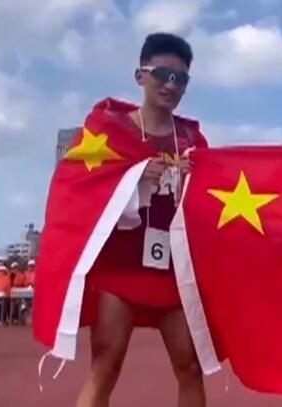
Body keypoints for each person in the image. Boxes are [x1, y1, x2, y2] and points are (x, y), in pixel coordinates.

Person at [73, 32, 208, 407]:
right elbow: (78, 188)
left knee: (190, 368)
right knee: (105, 367)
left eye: (180, 79)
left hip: (173, 273)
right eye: (162, 74)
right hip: (121, 269)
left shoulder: (193, 139)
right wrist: (132, 178)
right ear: (140, 76)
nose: (171, 85)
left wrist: (194, 180)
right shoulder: (108, 130)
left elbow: (212, 201)